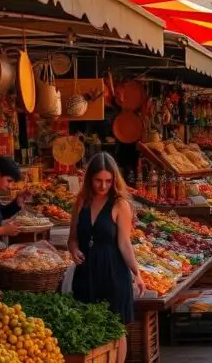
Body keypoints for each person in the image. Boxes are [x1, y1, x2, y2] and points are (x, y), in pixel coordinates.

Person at [69, 153, 146, 363]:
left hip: (113, 271)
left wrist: (136, 273)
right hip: (86, 271)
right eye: (98, 180)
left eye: (108, 181)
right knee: (88, 324)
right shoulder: (82, 202)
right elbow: (73, 238)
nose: (103, 186)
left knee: (116, 327)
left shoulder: (120, 204)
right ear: (89, 179)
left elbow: (124, 243)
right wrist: (73, 249)